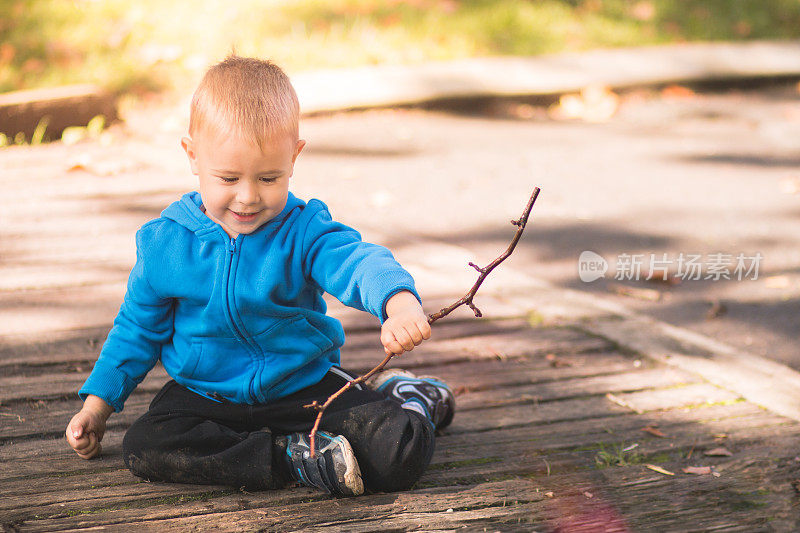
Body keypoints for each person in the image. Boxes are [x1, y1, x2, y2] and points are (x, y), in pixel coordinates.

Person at [65, 55, 455, 497]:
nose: (248, 197)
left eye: (269, 178)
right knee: (145, 445)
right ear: (192, 155)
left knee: (398, 451)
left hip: (304, 389)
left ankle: (413, 397)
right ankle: (294, 458)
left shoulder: (304, 230)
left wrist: (397, 301)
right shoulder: (166, 245)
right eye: (228, 177)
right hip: (207, 397)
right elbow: (136, 330)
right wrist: (97, 407)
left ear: (294, 156)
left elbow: (357, 261)